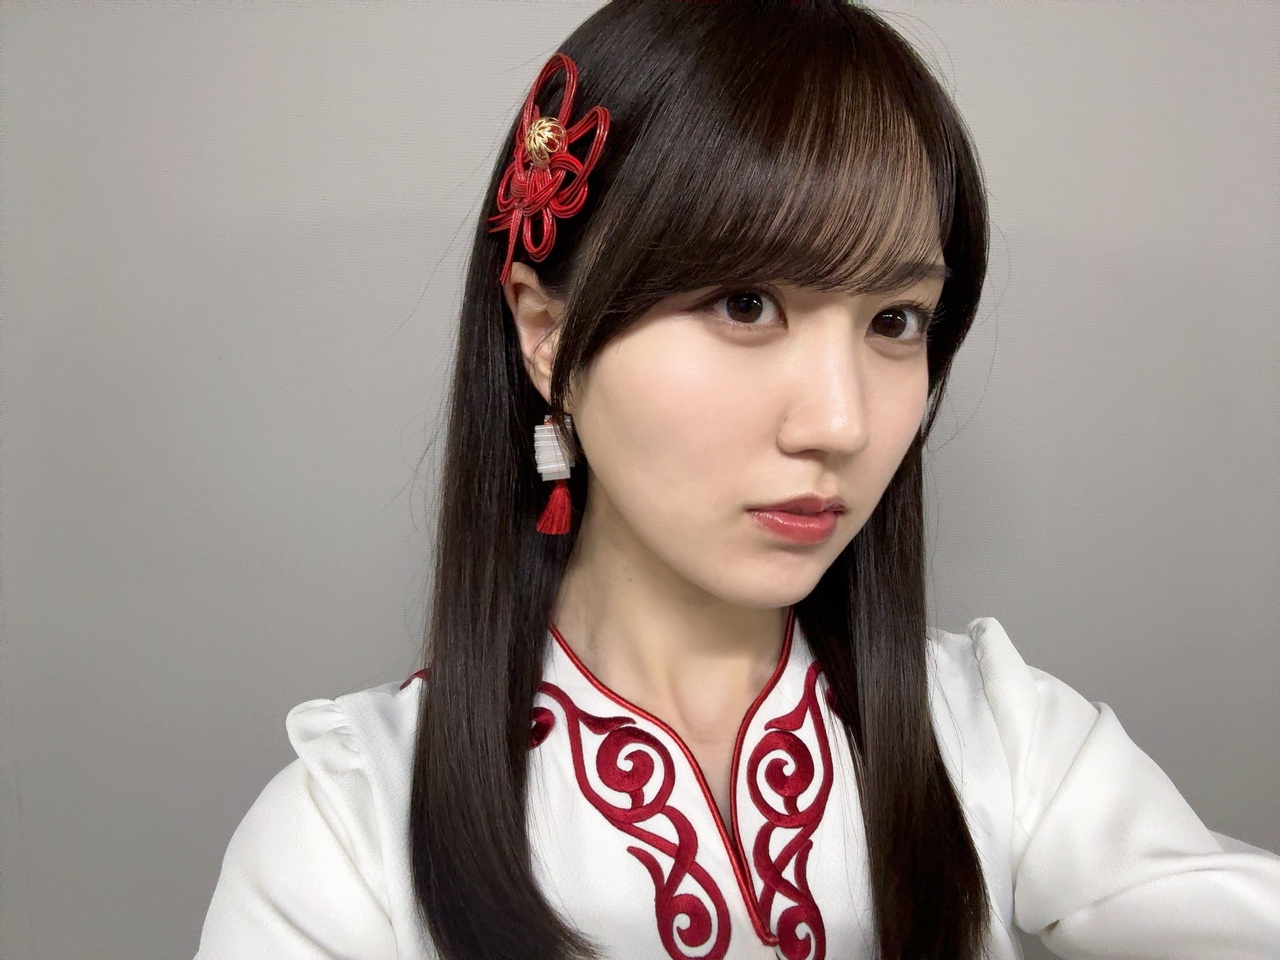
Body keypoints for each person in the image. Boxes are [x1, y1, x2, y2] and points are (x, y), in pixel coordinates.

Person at [194, 3, 1280, 959]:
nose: (841, 423)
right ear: (544, 331)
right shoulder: (350, 836)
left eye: (895, 321)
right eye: (745, 305)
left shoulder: (996, 741)